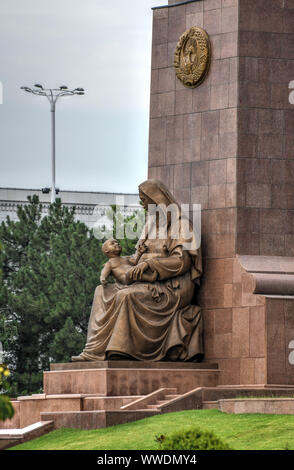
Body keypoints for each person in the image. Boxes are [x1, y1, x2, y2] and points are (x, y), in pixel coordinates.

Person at [72, 179, 203, 362]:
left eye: (144, 200)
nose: (142, 205)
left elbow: (182, 262)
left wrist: (150, 265)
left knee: (126, 296)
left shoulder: (181, 225)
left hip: (172, 286)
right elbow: (137, 256)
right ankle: (94, 352)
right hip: (144, 280)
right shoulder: (150, 226)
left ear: (156, 199)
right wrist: (120, 263)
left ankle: (121, 352)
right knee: (102, 291)